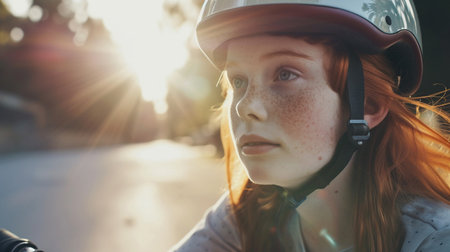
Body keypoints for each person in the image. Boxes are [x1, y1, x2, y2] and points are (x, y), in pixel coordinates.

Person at [171, 1, 450, 251]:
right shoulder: (250, 211)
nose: (246, 106)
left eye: (285, 74)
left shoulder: (435, 238)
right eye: (239, 81)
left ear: (369, 104)